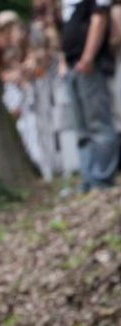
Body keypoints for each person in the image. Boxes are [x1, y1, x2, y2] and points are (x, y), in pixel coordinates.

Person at [61, 0, 119, 191]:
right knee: (82, 129)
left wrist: (88, 57)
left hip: (89, 65)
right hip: (72, 65)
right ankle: (89, 178)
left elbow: (99, 19)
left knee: (99, 125)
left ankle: (102, 178)